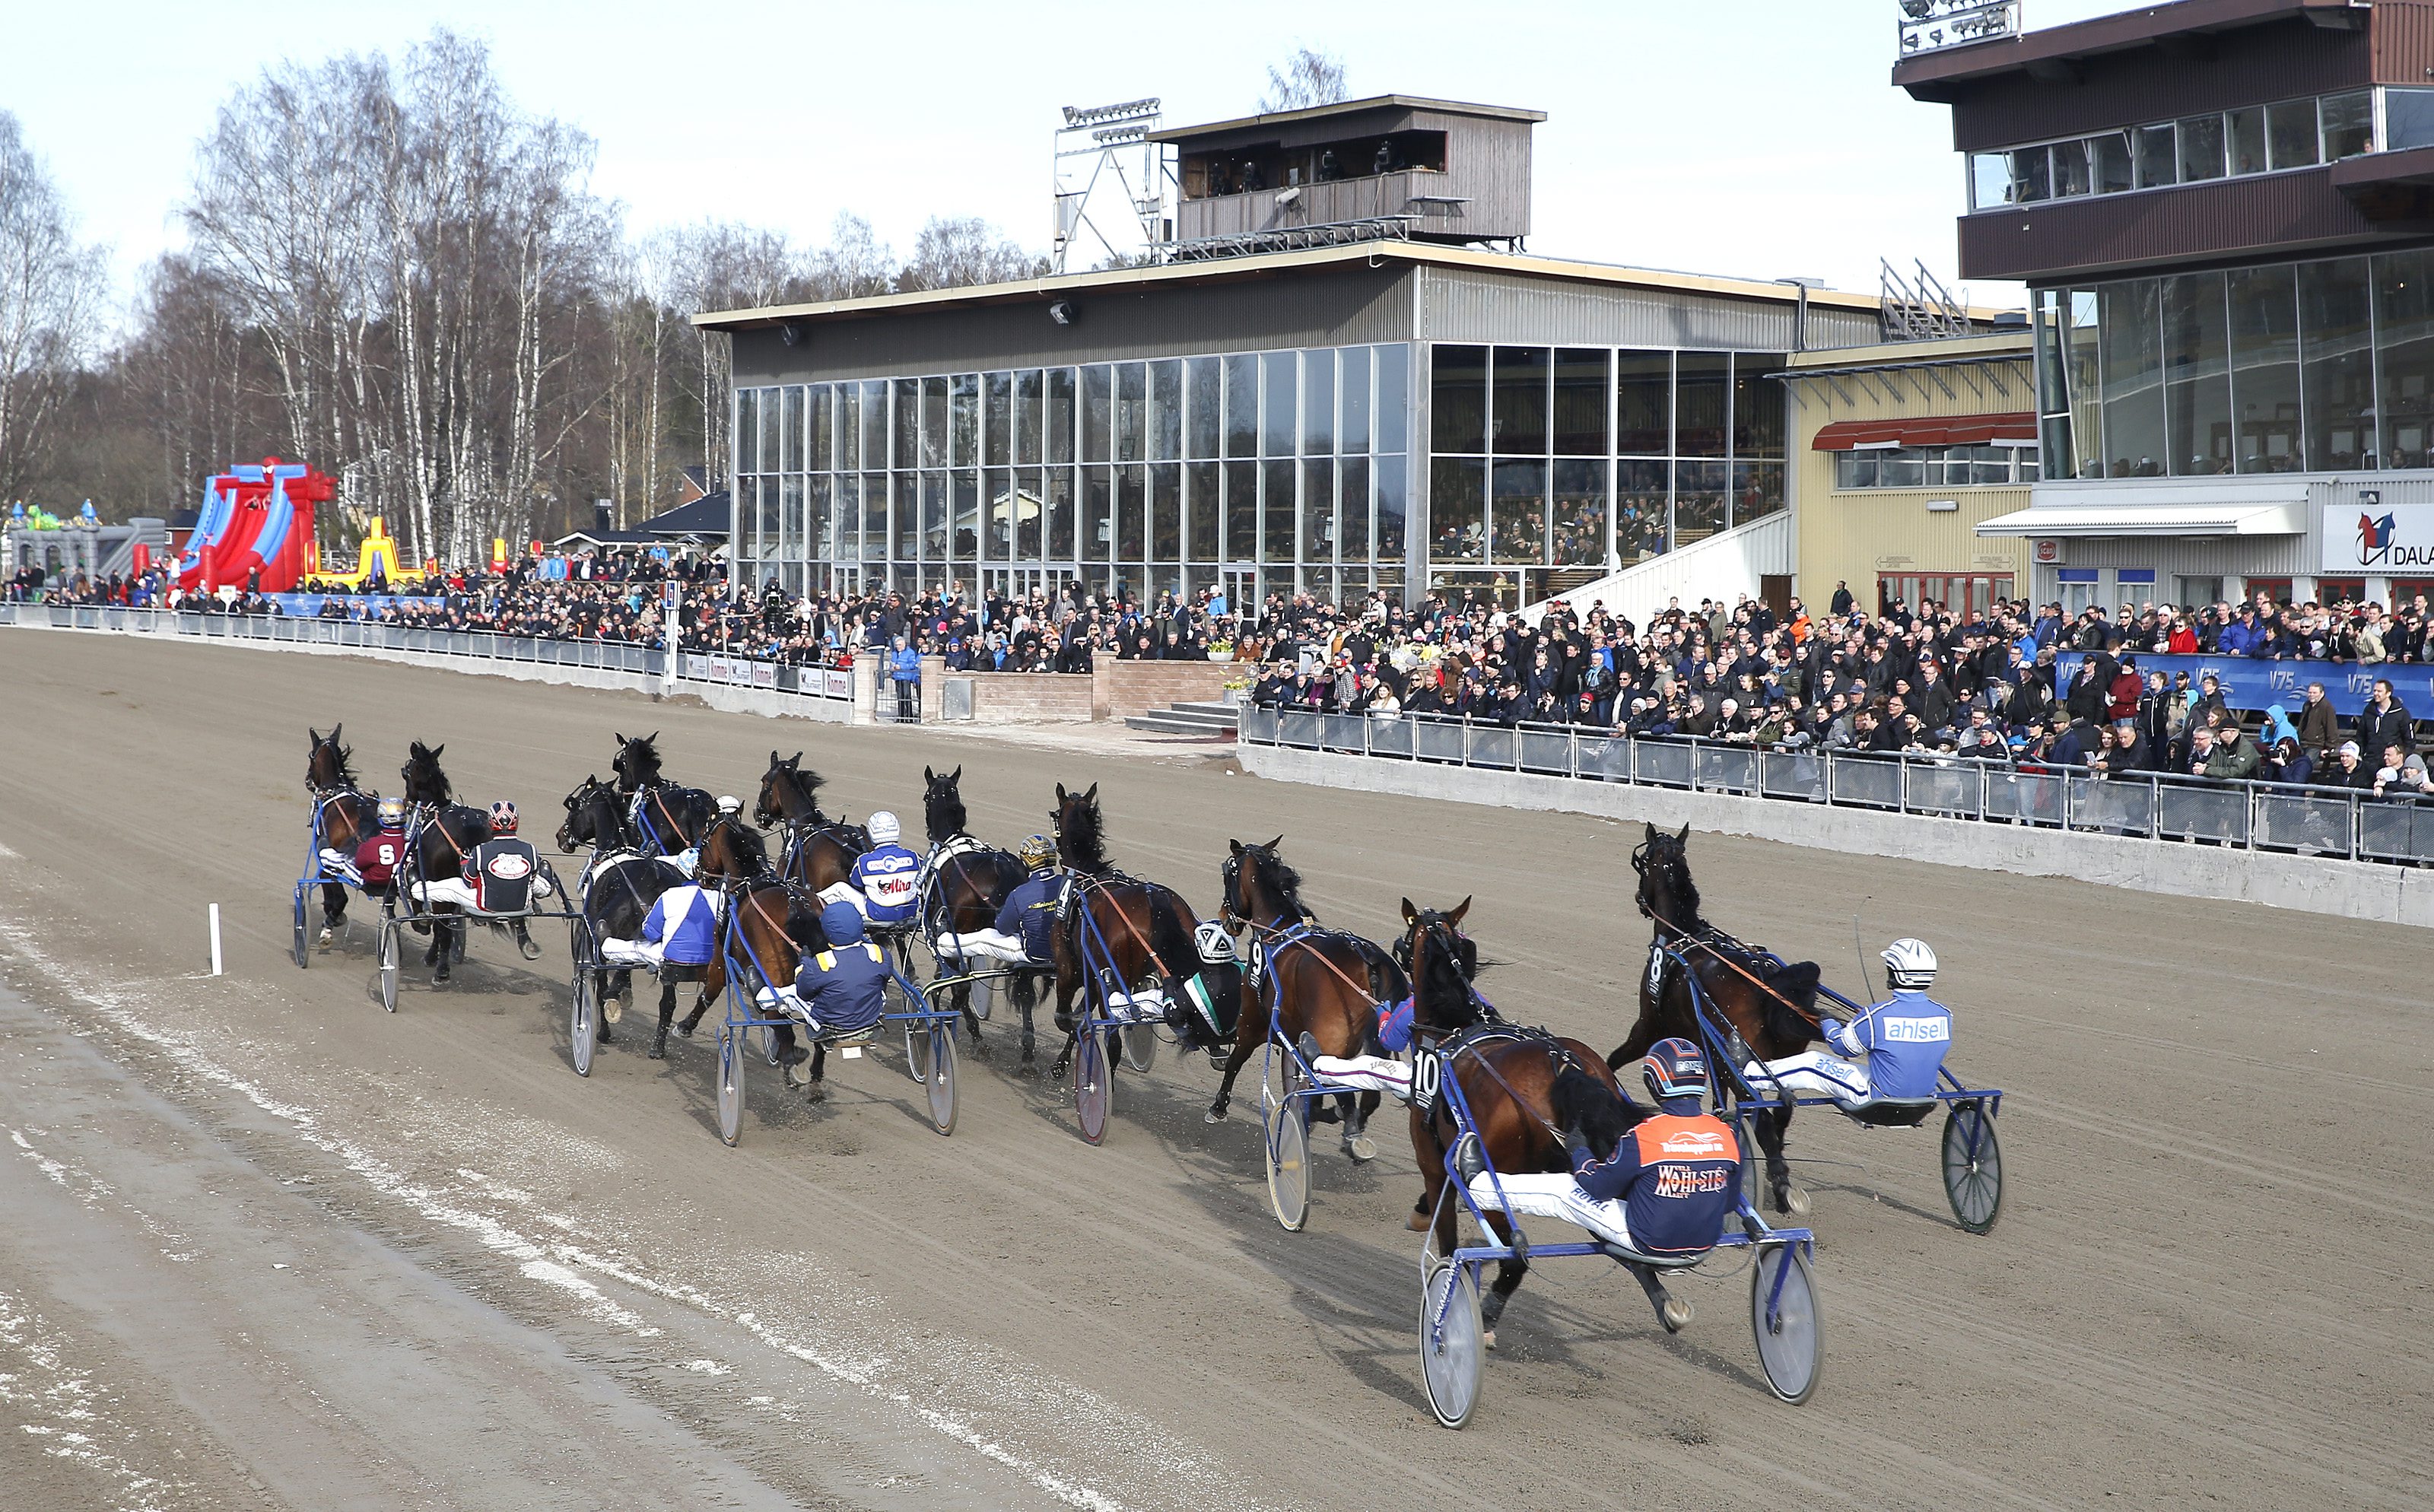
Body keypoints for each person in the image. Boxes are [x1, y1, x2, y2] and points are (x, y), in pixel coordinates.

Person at [1466, 1038, 1742, 1262]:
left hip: (1649, 1240)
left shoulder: (1645, 1135)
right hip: (1706, 1241)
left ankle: (1478, 1188)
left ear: (1654, 1083)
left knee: (1561, 1189)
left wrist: (1579, 1151)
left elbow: (1597, 1188)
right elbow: (1729, 1203)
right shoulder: (1726, 1133)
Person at [1743, 938, 1951, 1110]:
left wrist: (1828, 1022)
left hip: (1877, 1098)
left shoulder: (1876, 1016)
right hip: (1925, 1098)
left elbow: (1842, 1047)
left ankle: (1750, 1074)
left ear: (1893, 973)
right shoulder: (1944, 1015)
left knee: (1811, 1062)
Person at [933, 834, 1063, 965]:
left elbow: (1003, 928)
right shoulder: (1066, 884)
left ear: (1026, 861)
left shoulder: (1019, 893)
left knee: (983, 939)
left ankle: (943, 944)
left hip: (1034, 953)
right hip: (1063, 950)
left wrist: (1002, 913)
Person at [463, 800, 551, 959]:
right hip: (521, 905)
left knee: (448, 888)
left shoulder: (480, 851)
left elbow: (468, 882)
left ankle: (418, 890)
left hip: (486, 905)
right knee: (536, 879)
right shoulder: (531, 849)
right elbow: (530, 881)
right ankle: (546, 888)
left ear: (491, 823)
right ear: (516, 822)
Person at [823, 809, 920, 931]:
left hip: (877, 916)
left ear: (872, 833)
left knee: (839, 888)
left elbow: (855, 882)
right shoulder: (914, 856)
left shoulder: (864, 860)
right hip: (910, 914)